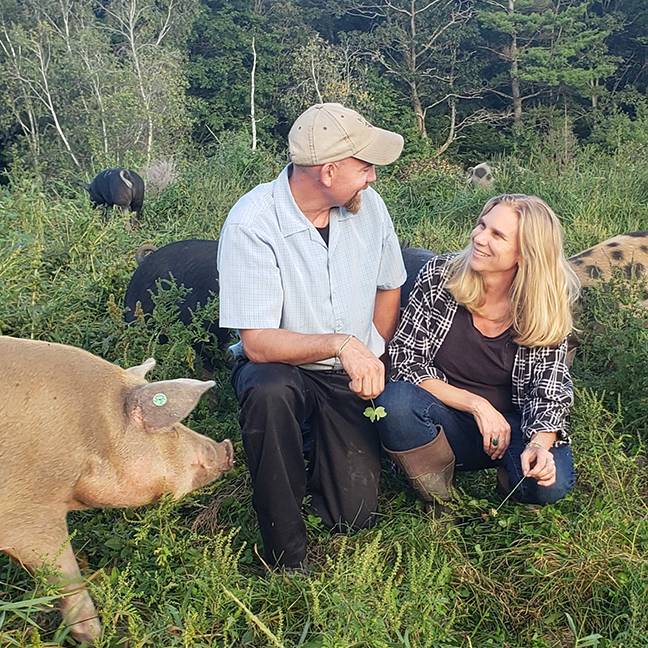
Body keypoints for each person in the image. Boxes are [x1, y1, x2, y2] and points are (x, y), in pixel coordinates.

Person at [217, 103, 406, 570]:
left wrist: (371, 353)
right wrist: (343, 344)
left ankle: (314, 448)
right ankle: (285, 553)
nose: (372, 178)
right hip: (283, 368)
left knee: (354, 514)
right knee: (269, 391)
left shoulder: (369, 208)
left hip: (347, 373)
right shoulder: (252, 223)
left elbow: (389, 285)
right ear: (329, 171)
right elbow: (259, 342)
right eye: (365, 167)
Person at [376, 194, 579, 508]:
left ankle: (508, 475)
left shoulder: (543, 306)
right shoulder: (440, 276)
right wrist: (477, 405)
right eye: (482, 225)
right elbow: (405, 359)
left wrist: (539, 444)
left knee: (549, 487)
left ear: (525, 254)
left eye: (497, 235)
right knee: (397, 402)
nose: (479, 237)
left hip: (512, 426)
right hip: (443, 418)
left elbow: (550, 390)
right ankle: (439, 497)